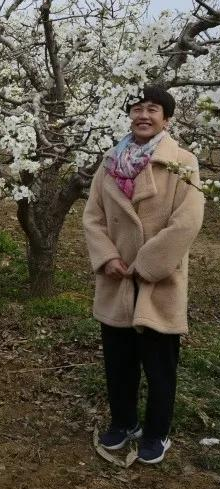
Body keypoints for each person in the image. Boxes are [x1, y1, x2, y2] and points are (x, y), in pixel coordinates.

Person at [83, 85, 204, 465]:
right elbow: (93, 217)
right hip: (117, 278)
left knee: (159, 365)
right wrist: (108, 257)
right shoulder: (109, 163)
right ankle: (123, 422)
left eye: (153, 109)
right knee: (118, 362)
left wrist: (146, 264)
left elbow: (187, 222)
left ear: (166, 118)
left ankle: (156, 433)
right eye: (137, 109)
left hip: (157, 280)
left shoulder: (182, 162)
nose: (143, 116)